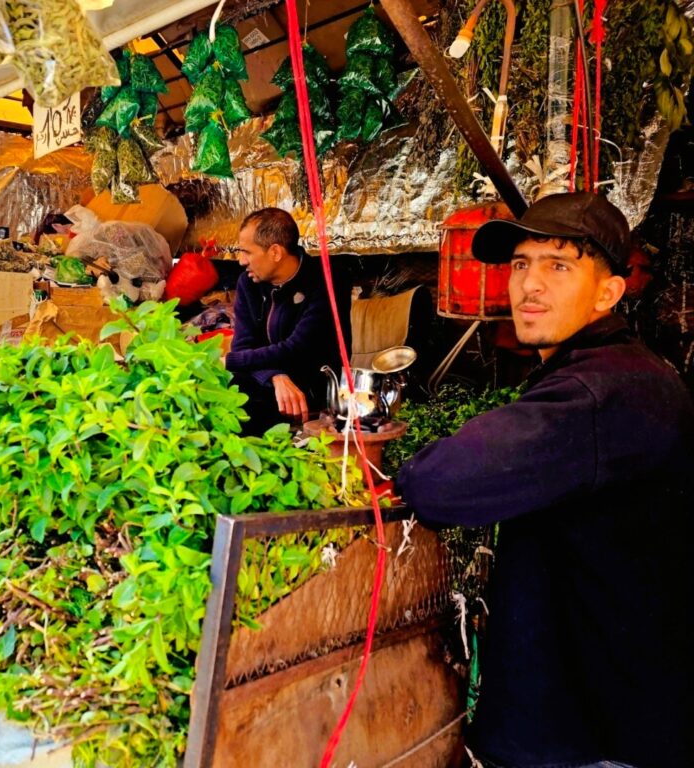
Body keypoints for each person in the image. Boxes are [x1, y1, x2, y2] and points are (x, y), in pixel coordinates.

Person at [396, 192, 693, 767]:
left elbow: (442, 482)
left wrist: (410, 463)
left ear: (608, 293)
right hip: (605, 717)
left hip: (595, 741)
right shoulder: (620, 372)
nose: (530, 285)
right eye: (521, 264)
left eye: (559, 266)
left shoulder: (599, 392)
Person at [225, 208, 348, 435]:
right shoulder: (248, 283)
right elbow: (243, 346)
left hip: (313, 387)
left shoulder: (326, 281)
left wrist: (231, 361)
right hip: (268, 382)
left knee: (242, 404)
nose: (241, 261)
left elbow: (298, 349)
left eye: (246, 252)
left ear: (275, 252)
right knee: (219, 389)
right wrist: (274, 376)